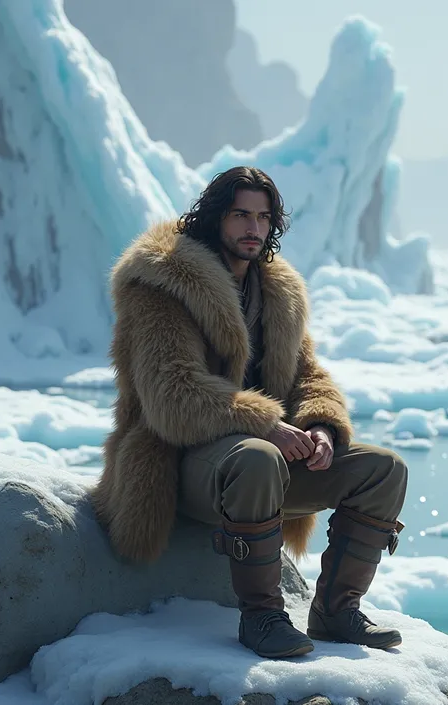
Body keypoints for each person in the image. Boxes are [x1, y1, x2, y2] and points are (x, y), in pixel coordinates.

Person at [92, 166, 407, 659]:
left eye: (263, 217)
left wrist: (321, 425)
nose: (253, 229)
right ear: (216, 217)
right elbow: (171, 395)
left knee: (383, 470)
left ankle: (336, 610)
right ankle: (262, 617)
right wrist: (266, 423)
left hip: (262, 464)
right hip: (178, 462)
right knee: (258, 455)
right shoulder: (162, 283)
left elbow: (307, 373)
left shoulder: (278, 292)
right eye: (241, 214)